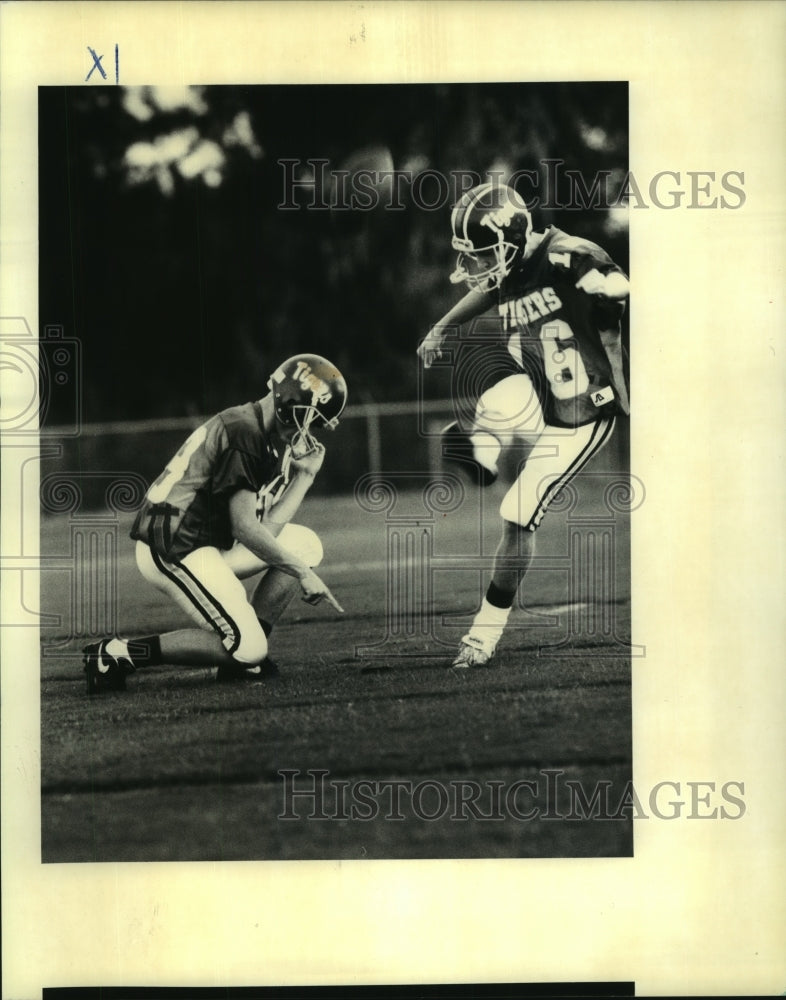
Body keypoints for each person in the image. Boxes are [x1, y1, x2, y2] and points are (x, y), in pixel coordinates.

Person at [418, 182, 630, 668]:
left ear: (510, 238)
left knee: (518, 513)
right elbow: (486, 290)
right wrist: (441, 327)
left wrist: (612, 290)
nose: (477, 265)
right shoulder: (510, 266)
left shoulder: (568, 254)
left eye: (483, 252)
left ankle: (483, 634)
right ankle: (482, 458)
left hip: (585, 409)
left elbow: (613, 286)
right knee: (496, 397)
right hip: (541, 393)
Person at [82, 353, 348, 694]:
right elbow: (245, 529)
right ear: (292, 403)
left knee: (305, 543)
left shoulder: (254, 429)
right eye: (311, 420)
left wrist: (305, 477)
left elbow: (263, 530)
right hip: (174, 546)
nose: (308, 430)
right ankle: (116, 654)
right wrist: (301, 572)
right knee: (249, 645)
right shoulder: (246, 435)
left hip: (202, 542)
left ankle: (245, 662)